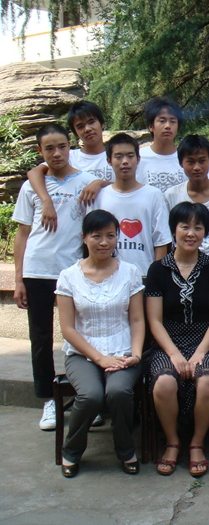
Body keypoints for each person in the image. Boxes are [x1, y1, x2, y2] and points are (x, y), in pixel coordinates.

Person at [12, 123, 96, 431]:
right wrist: (19, 279)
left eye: (61, 146)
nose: (57, 153)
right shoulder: (31, 188)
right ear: (40, 151)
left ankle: (88, 397)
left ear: (70, 146)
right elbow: (22, 234)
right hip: (37, 270)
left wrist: (98, 182)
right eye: (49, 148)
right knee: (41, 338)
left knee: (83, 334)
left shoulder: (86, 182)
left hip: (72, 270)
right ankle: (48, 399)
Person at [55, 210, 145, 478]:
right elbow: (68, 329)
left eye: (110, 236)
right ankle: (71, 451)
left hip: (123, 351)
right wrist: (100, 358)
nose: (104, 242)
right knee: (91, 395)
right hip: (82, 353)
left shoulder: (130, 272)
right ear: (84, 238)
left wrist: (136, 354)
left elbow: (137, 320)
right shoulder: (68, 276)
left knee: (118, 392)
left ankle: (126, 449)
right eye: (97, 236)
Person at [146, 202, 209, 477]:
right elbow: (154, 320)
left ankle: (196, 443)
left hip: (208, 342)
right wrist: (174, 354)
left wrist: (200, 353)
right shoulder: (158, 270)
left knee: (206, 381)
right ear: (174, 230)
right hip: (168, 342)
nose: (191, 233)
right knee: (164, 383)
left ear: (205, 232)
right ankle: (172, 442)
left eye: (198, 227)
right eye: (185, 226)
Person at [25, 101, 113, 232]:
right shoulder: (68, 156)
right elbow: (34, 173)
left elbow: (131, 186)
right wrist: (46, 201)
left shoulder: (116, 156)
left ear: (102, 123)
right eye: (80, 126)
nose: (87, 129)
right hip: (80, 229)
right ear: (75, 133)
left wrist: (100, 183)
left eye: (91, 122)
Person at [93, 133, 171, 279]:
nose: (125, 162)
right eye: (118, 157)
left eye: (130, 156)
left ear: (138, 159)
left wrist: (155, 278)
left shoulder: (153, 195)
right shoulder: (99, 196)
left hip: (144, 275)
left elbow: (161, 241)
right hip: (107, 277)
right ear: (109, 160)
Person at [164, 135, 209, 273]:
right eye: (190, 162)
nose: (197, 167)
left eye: (202, 161)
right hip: (181, 272)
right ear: (181, 163)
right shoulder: (171, 196)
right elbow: (166, 240)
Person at [136, 96, 186, 193]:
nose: (167, 126)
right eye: (162, 121)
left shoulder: (186, 158)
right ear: (150, 126)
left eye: (173, 121)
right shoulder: (139, 158)